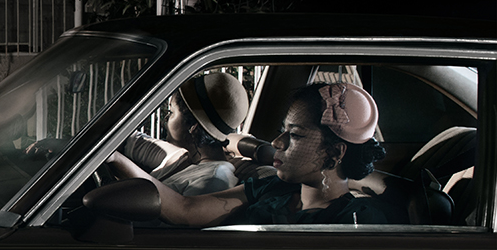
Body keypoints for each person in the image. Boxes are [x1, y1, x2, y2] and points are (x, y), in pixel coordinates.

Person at [108, 82, 390, 225]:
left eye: (295, 135)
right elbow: (185, 209)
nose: (278, 143)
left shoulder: (355, 221)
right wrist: (112, 156)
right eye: (282, 131)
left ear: (335, 152)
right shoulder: (273, 187)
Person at [119, 72, 247, 196]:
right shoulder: (184, 158)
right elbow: (130, 141)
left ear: (193, 127)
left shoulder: (213, 180)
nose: (165, 120)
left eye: (172, 113)